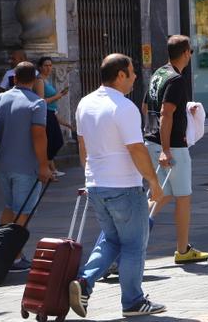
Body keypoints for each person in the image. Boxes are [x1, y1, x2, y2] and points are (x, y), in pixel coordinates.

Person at [69, 54, 166, 318]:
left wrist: (91, 175)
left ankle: (84, 282)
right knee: (135, 244)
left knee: (112, 240)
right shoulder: (123, 107)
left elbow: (82, 145)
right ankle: (133, 301)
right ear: (120, 75)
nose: (135, 77)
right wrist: (154, 182)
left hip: (97, 184)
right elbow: (136, 148)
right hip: (123, 186)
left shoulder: (85, 103)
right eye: (132, 72)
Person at [143, 35, 208, 264]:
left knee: (162, 194)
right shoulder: (176, 79)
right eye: (190, 51)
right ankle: (182, 250)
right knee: (183, 197)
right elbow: (166, 113)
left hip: (151, 140)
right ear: (185, 53)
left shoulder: (158, 74)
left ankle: (131, 234)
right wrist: (166, 149)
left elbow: (146, 106)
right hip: (172, 147)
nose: (191, 55)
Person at [0, 61, 52, 272]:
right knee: (23, 212)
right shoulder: (37, 103)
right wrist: (44, 165)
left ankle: (3, 249)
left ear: (14, 79)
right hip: (26, 166)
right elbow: (39, 135)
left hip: (2, 163)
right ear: (34, 80)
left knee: (10, 206)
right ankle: (12, 255)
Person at [35, 57, 72, 179]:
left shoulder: (47, 81)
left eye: (50, 65)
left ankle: (49, 168)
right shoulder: (39, 81)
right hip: (45, 113)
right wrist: (58, 96)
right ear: (40, 67)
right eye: (46, 65)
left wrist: (67, 124)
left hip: (51, 113)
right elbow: (41, 101)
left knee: (54, 142)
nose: (49, 68)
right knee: (55, 142)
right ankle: (44, 166)